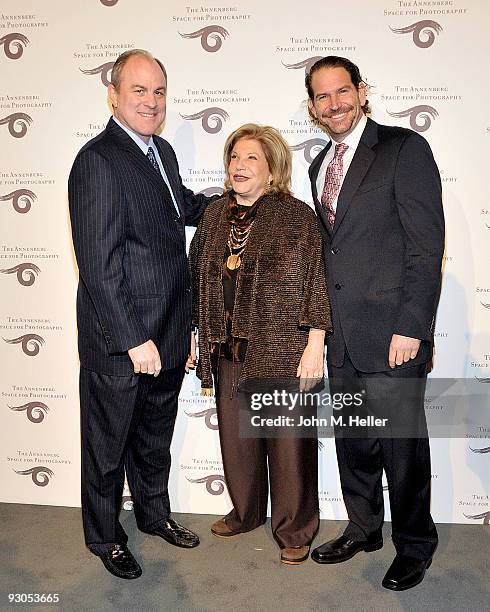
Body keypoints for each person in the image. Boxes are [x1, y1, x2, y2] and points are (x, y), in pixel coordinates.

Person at [68, 49, 214, 579]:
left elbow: (183, 206)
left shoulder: (163, 152)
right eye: (139, 91)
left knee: (154, 439)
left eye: (158, 91)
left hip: (170, 332)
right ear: (113, 95)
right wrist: (133, 340)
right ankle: (104, 539)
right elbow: (99, 265)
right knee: (107, 449)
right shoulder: (97, 160)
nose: (151, 102)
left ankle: (154, 517)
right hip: (122, 342)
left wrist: (242, 196)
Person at [305, 56, 444, 590]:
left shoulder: (403, 149)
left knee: (402, 449)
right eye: (322, 96)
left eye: (343, 91)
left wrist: (412, 326)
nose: (334, 103)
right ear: (313, 107)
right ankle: (364, 528)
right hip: (341, 336)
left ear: (362, 92)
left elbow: (425, 245)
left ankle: (414, 544)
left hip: (393, 335)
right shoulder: (320, 165)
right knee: (354, 444)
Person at [189, 124, 332, 565]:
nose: (239, 165)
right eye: (234, 156)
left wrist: (315, 344)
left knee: (288, 447)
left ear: (272, 170)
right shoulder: (214, 216)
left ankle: (293, 528)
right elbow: (196, 279)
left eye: (251, 157)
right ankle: (246, 511)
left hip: (283, 350)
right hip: (227, 349)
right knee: (237, 442)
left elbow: (316, 282)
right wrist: (196, 333)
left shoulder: (296, 217)